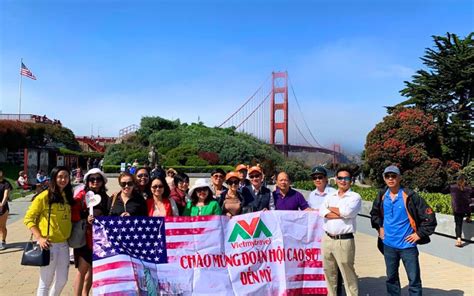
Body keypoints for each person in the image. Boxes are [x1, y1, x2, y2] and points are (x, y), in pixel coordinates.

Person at [370, 165, 437, 296]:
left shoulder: (410, 196)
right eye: (387, 176)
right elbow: (374, 214)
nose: (390, 179)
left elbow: (429, 217)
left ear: (399, 178)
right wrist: (380, 228)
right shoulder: (382, 195)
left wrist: (419, 234)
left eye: (393, 176)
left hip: (407, 246)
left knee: (414, 281)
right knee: (391, 279)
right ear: (384, 178)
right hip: (388, 245)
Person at [24, 166, 74, 296]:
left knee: (62, 280)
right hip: (48, 245)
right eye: (60, 177)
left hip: (64, 244)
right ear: (53, 178)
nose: (63, 179)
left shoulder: (67, 196)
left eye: (66, 176)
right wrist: (39, 238)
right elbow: (28, 219)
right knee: (45, 282)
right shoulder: (44, 196)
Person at [319, 167, 361, 296]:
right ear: (336, 180)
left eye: (346, 178)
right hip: (327, 239)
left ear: (351, 180)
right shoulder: (330, 195)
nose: (343, 181)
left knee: (348, 274)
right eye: (340, 178)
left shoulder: (355, 197)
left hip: (344, 240)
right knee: (329, 273)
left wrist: (332, 210)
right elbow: (322, 212)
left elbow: (348, 212)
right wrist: (342, 213)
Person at [72, 168, 109, 296]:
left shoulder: (106, 198)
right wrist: (84, 217)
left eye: (98, 179)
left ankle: (85, 293)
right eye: (92, 179)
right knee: (82, 270)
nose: (95, 182)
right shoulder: (82, 196)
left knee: (93, 270)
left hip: (99, 240)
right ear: (87, 181)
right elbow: (74, 212)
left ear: (102, 182)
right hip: (84, 237)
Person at [307, 166, 343, 296]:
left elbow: (340, 211)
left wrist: (324, 213)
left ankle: (338, 292)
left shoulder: (334, 192)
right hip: (317, 237)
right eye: (315, 177)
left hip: (332, 235)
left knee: (336, 267)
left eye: (320, 177)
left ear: (326, 179)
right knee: (324, 266)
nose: (318, 179)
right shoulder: (311, 195)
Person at [442, 175, 472, 247]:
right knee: (469, 207)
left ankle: (459, 240)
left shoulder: (452, 187)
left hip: (457, 208)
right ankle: (468, 217)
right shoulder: (469, 188)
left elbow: (443, 191)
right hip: (467, 208)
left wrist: (448, 184)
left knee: (458, 224)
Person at [0, 170, 12, 250]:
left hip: (2, 207)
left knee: (2, 227)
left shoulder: (6, 183)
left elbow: (6, 194)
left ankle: (3, 241)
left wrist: (2, 204)